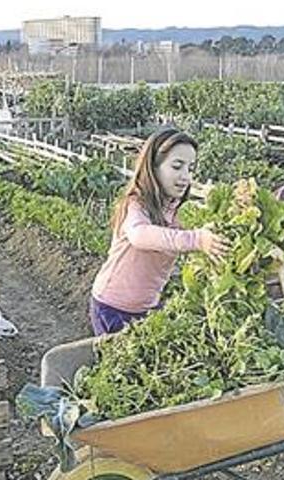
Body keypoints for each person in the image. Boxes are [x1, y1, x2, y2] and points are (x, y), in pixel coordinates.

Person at [89, 128, 230, 336]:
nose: (185, 177)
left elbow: (171, 245)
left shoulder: (172, 211)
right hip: (113, 308)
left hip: (148, 308)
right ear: (153, 167)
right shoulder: (135, 205)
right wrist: (197, 239)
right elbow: (140, 235)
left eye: (190, 168)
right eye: (177, 166)